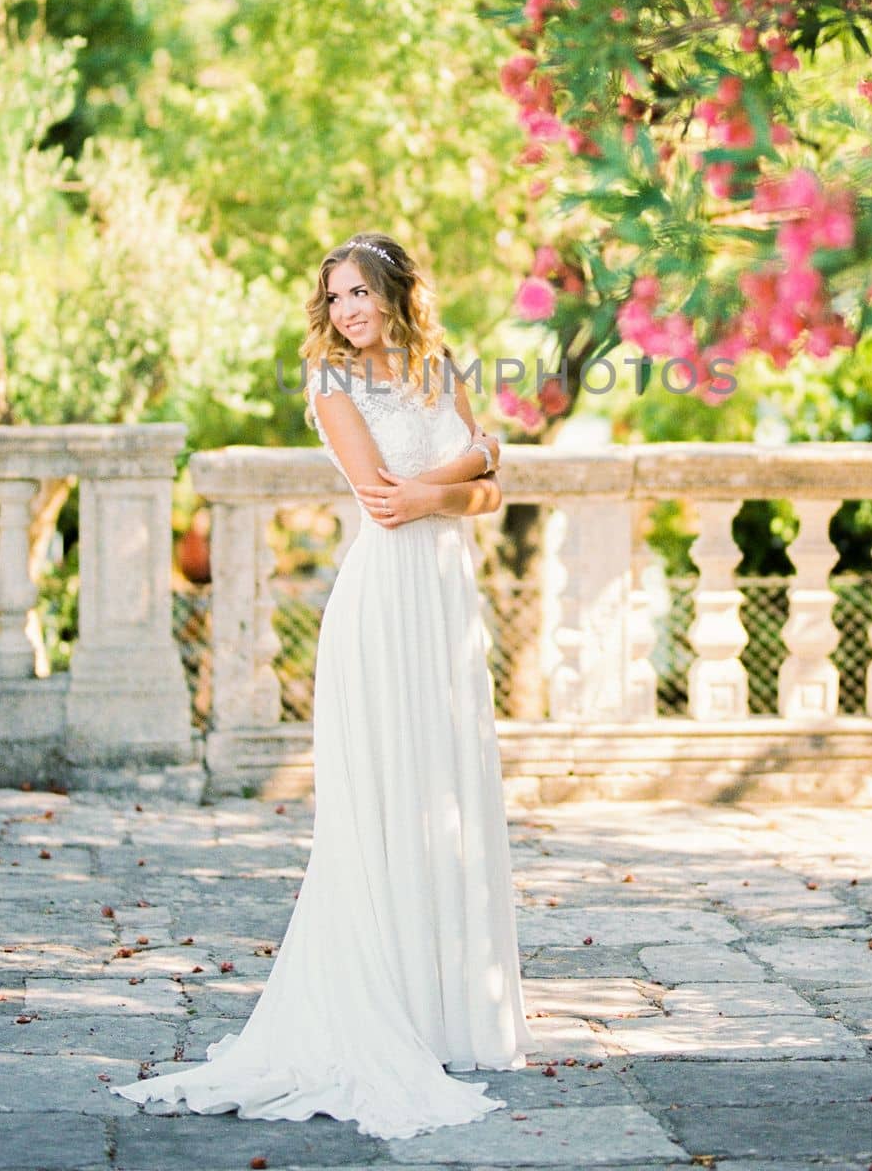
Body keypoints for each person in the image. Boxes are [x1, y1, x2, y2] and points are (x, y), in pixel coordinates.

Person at [110, 232, 534, 1139]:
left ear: (394, 295)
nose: (347, 311)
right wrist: (469, 462)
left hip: (445, 605)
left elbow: (497, 501)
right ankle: (384, 1006)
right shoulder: (332, 388)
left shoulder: (440, 368)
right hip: (381, 603)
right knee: (381, 799)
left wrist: (462, 482)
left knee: (444, 793)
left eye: (360, 294)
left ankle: (447, 1014)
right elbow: (386, 497)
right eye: (335, 297)